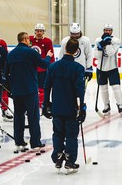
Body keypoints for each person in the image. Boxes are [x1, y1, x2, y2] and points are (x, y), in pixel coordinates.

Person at [43, 38, 86, 173]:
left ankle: (58, 155)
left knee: (58, 133)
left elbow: (47, 86)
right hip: (71, 108)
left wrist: (46, 104)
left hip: (57, 107)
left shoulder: (53, 66)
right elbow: (80, 90)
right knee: (71, 135)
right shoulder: (78, 68)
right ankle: (69, 160)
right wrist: (82, 107)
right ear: (77, 51)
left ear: (65, 48)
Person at [5, 32, 53, 151]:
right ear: (25, 39)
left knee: (18, 116)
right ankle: (35, 142)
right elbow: (44, 64)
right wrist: (48, 56)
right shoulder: (30, 52)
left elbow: (6, 73)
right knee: (33, 116)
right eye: (28, 39)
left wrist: (10, 89)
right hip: (30, 89)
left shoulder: (11, 54)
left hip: (16, 90)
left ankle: (19, 141)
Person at [94, 23, 122, 115]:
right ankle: (106, 105)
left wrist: (107, 44)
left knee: (116, 87)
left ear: (112, 31)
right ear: (103, 31)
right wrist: (100, 47)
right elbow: (97, 56)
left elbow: (111, 53)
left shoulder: (116, 40)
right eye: (106, 30)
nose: (107, 32)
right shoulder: (98, 40)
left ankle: (120, 105)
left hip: (112, 67)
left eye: (109, 30)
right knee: (103, 88)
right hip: (100, 68)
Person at [29, 23, 55, 108]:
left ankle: (40, 106)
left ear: (44, 32)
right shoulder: (30, 40)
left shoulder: (47, 41)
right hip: (31, 69)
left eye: (41, 31)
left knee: (42, 89)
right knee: (31, 88)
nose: (39, 32)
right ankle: (32, 105)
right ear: (35, 31)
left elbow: (51, 55)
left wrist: (52, 67)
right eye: (37, 31)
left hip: (42, 70)